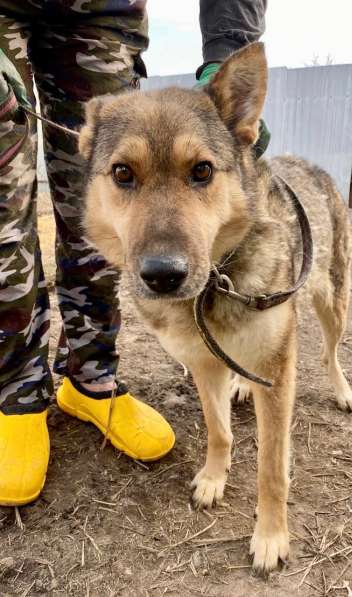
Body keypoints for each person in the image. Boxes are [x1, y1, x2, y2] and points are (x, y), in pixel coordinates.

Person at [0, 0, 268, 506]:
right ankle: (16, 395)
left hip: (103, 14)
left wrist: (228, 49)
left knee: (99, 239)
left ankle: (91, 377)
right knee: (2, 225)